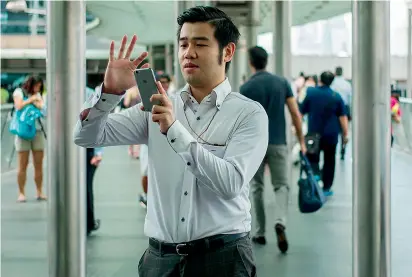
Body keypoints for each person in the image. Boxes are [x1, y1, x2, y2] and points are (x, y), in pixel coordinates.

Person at [74, 6, 267, 276]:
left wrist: (174, 130)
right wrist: (109, 94)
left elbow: (231, 183)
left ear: (228, 51)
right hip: (160, 259)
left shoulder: (248, 113)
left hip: (223, 258)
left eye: (200, 43)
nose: (189, 52)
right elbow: (85, 136)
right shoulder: (157, 106)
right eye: (183, 44)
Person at [240, 46, 306, 253]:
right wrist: (301, 141)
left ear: (251, 62)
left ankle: (259, 232)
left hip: (254, 145)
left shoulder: (246, 88)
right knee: (282, 185)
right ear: (266, 61)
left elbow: (242, 120)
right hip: (278, 142)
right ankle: (280, 221)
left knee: (256, 187)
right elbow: (295, 113)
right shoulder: (282, 83)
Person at [300, 71, 349, 196]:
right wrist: (345, 134)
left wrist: (298, 131)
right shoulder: (336, 96)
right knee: (329, 161)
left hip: (313, 135)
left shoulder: (311, 93)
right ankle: (326, 187)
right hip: (331, 135)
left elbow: (301, 113)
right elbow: (342, 117)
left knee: (312, 159)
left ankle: (314, 181)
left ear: (320, 80)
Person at [12, 75, 47, 202]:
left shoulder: (40, 95)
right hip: (23, 133)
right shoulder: (19, 92)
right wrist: (31, 100)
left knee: (39, 164)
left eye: (40, 86)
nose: (38, 88)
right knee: (23, 164)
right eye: (36, 85)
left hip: (37, 132)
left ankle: (39, 191)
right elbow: (19, 106)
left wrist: (40, 104)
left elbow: (45, 111)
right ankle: (21, 193)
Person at [85, 87, 104, 236]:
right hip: (86, 146)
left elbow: (98, 121)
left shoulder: (89, 94)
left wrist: (97, 152)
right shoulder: (90, 93)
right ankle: (88, 223)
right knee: (86, 187)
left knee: (85, 187)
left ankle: (87, 222)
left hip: (85, 147)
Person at [330, 66, 352, 160]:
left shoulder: (332, 84)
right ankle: (343, 149)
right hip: (345, 108)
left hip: (333, 109)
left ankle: (333, 148)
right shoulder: (347, 84)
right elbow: (350, 98)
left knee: (334, 129)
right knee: (344, 130)